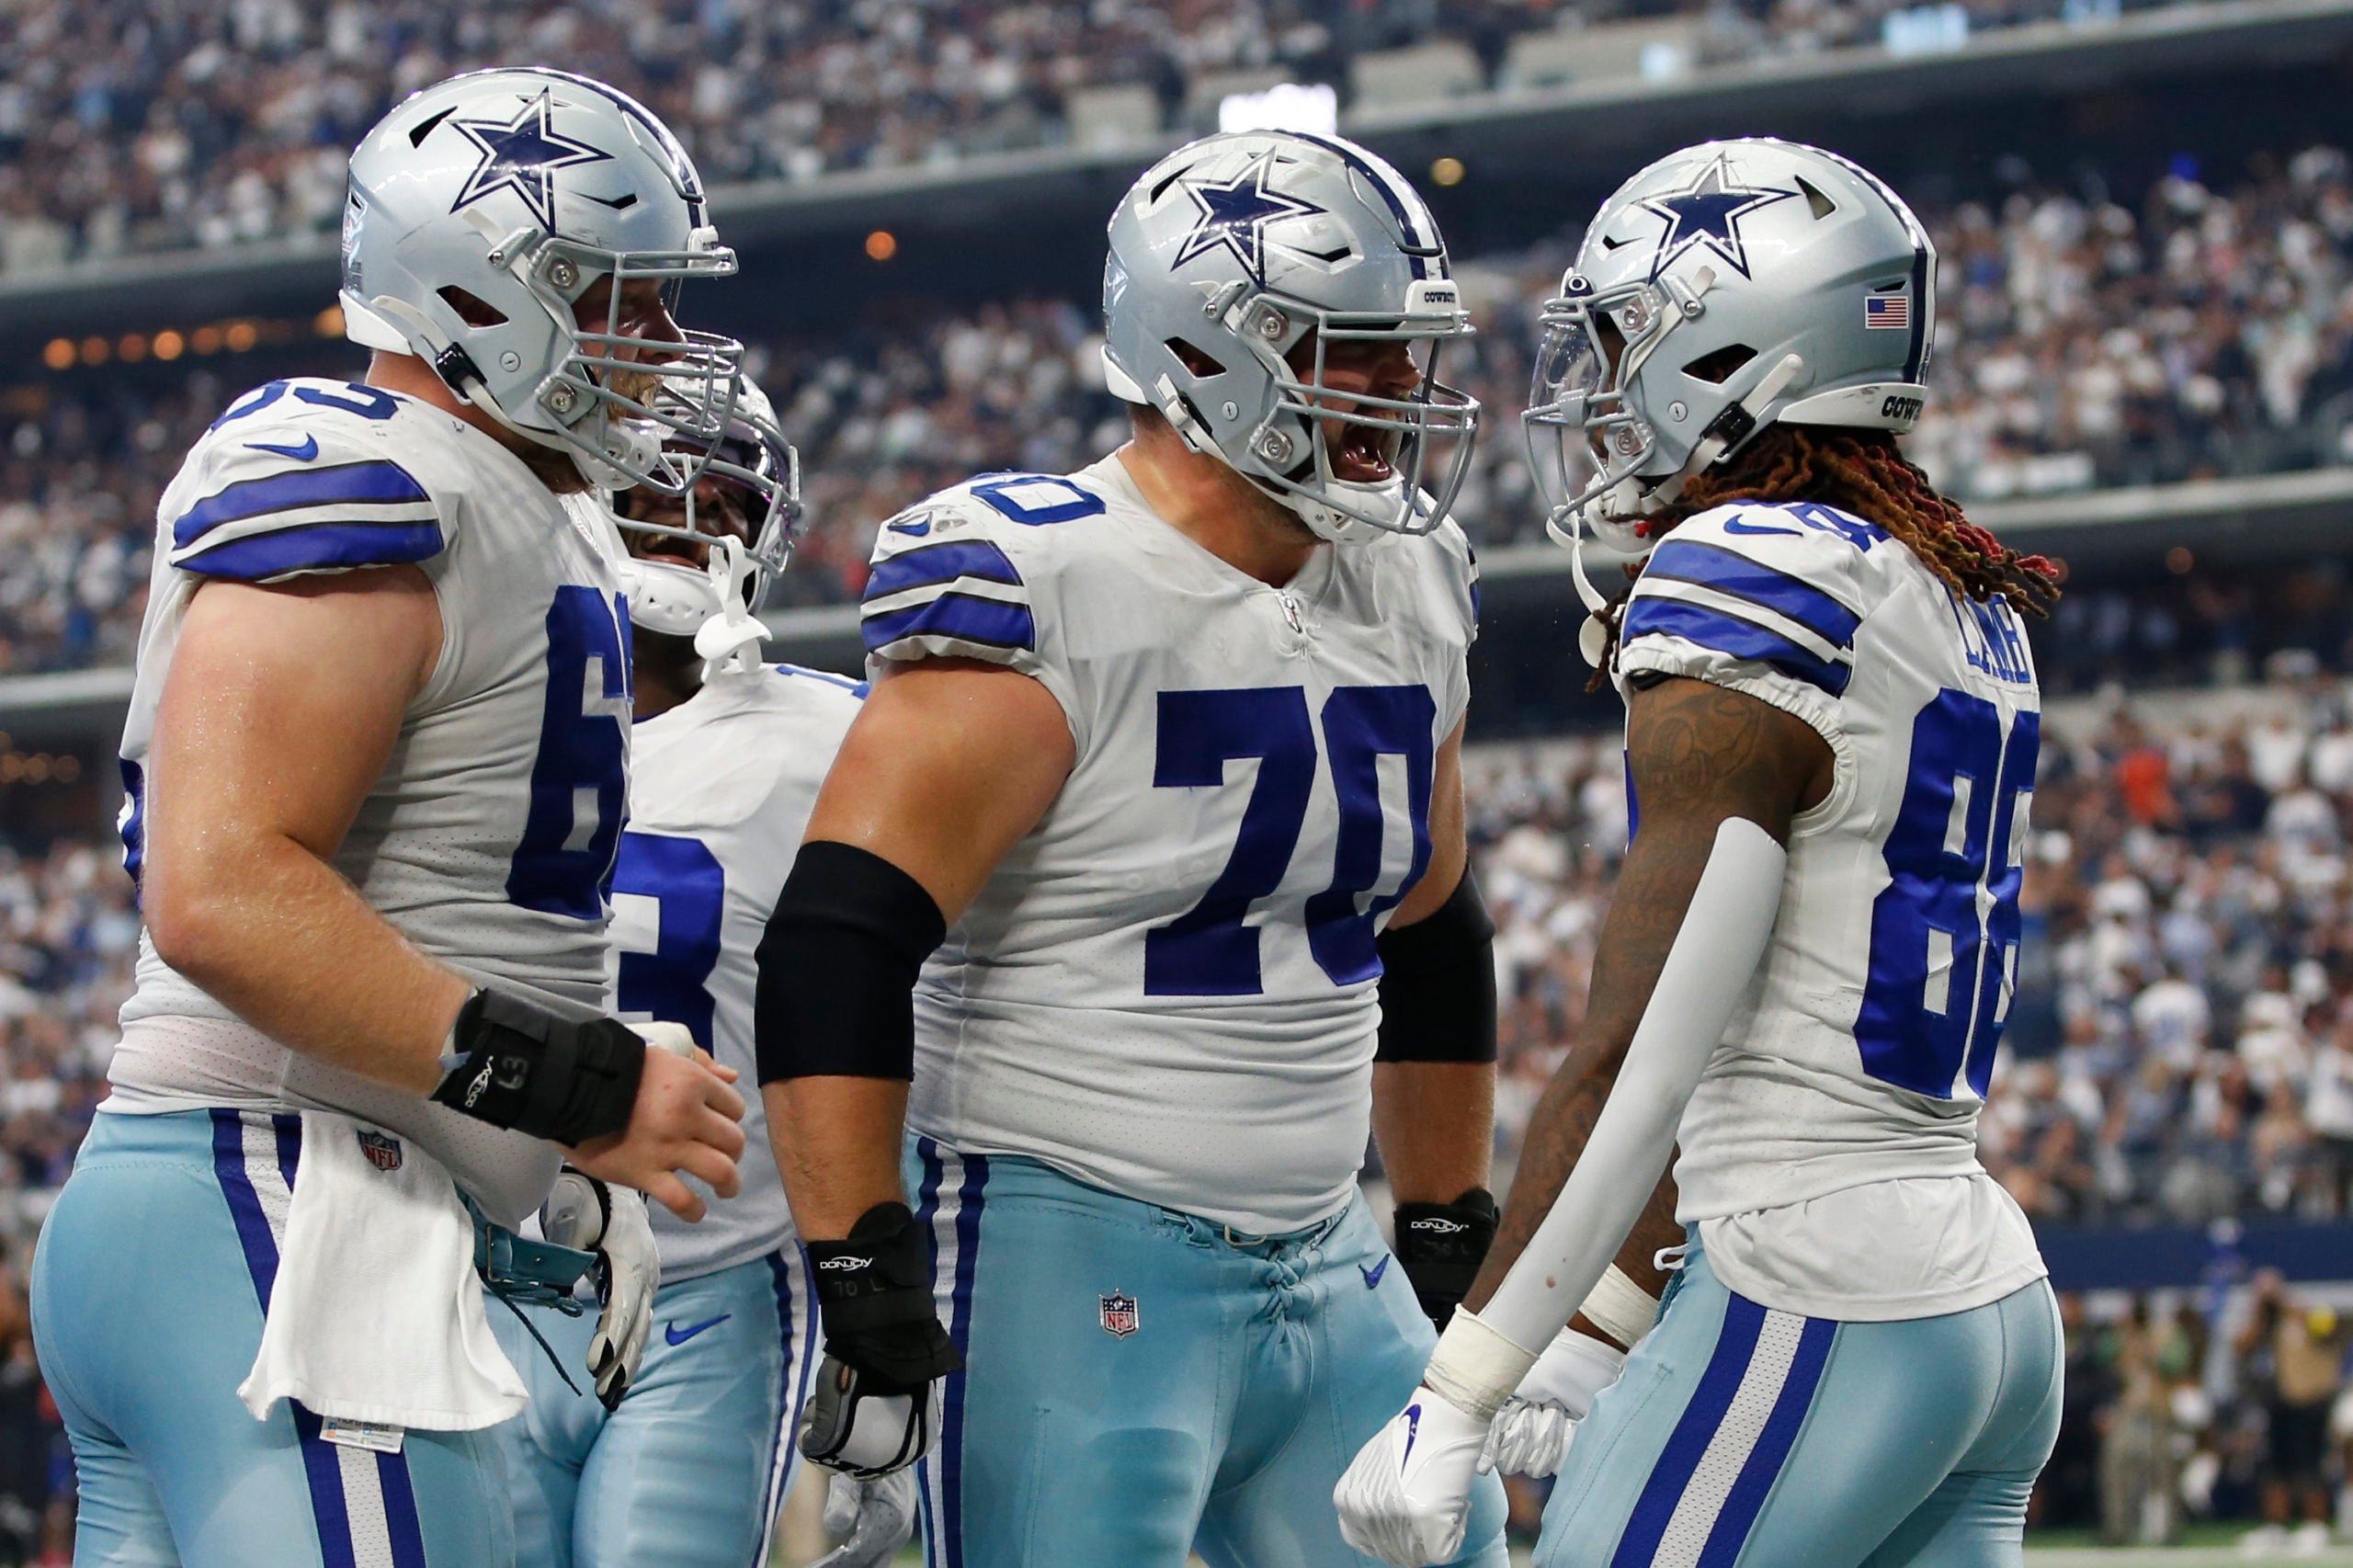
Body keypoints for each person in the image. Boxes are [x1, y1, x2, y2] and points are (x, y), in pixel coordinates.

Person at [754, 128, 1508, 1567]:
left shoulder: (1412, 580)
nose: (1401, 396)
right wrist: (859, 1251)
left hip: (1329, 1240)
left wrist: (1441, 1213)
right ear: (1218, 348)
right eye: (1359, 354)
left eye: (1409, 355)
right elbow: (840, 942)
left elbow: (1430, 922)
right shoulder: (1046, 579)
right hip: (1070, 1237)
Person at [30, 68, 747, 1566]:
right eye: (622, 301)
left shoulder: (514, 499)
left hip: (294, 1195)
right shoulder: (378, 470)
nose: (663, 347)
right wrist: (570, 1084)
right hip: (277, 1193)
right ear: (480, 294)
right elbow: (220, 887)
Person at [1336, 137, 2069, 1567]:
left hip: (1822, 1284)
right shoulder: (1951, 592)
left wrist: (1459, 1387)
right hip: (1980, 1292)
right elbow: (1752, 1035)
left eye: (1624, 352)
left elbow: (1642, 1050)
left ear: (1737, 350)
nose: (1603, 405)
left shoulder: (1752, 578)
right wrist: (1601, 1320)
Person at [491, 381, 909, 1568]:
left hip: (714, 1283)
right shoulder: (458, 717)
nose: (684, 527)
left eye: (716, 500)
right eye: (645, 493)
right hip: (476, 1275)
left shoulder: (833, 739)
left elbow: (935, 1023)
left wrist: (882, 1304)